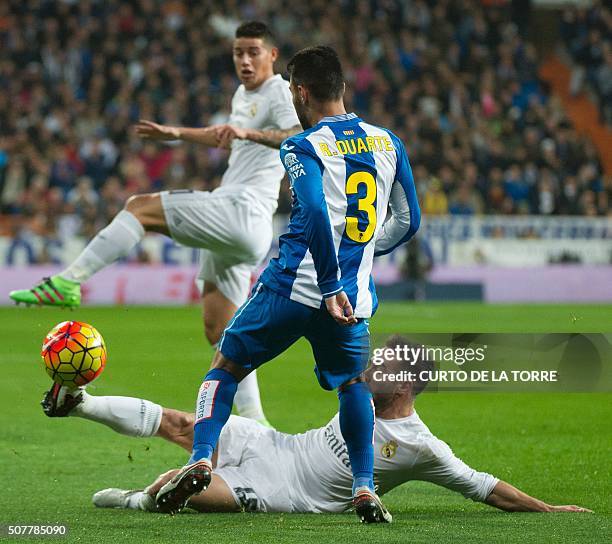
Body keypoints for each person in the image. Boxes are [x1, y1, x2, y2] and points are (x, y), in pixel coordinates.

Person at [154, 45, 421, 524]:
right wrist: (358, 256)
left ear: (300, 92)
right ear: (342, 87)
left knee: (226, 365)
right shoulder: (388, 142)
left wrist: (328, 277)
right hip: (352, 300)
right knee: (354, 385)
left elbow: (316, 210)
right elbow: (409, 219)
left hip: (293, 287)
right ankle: (363, 486)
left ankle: (200, 458)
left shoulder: (301, 145)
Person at [10, 21, 302, 426]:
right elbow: (224, 135)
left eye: (254, 51)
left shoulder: (277, 91)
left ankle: (70, 279)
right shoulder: (243, 94)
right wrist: (176, 133)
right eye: (239, 52)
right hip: (240, 225)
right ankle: (257, 423)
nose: (245, 60)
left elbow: (297, 134)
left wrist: (249, 133)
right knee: (220, 329)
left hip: (243, 209)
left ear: (272, 55)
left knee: (140, 206)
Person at [42, 336, 591, 516]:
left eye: (384, 365)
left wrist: (547, 509)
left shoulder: (421, 446)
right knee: (185, 422)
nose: (370, 366)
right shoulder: (360, 400)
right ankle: (81, 404)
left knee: (184, 488)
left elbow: (482, 485)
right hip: (274, 443)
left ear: (405, 385)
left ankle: (138, 499)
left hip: (284, 492)